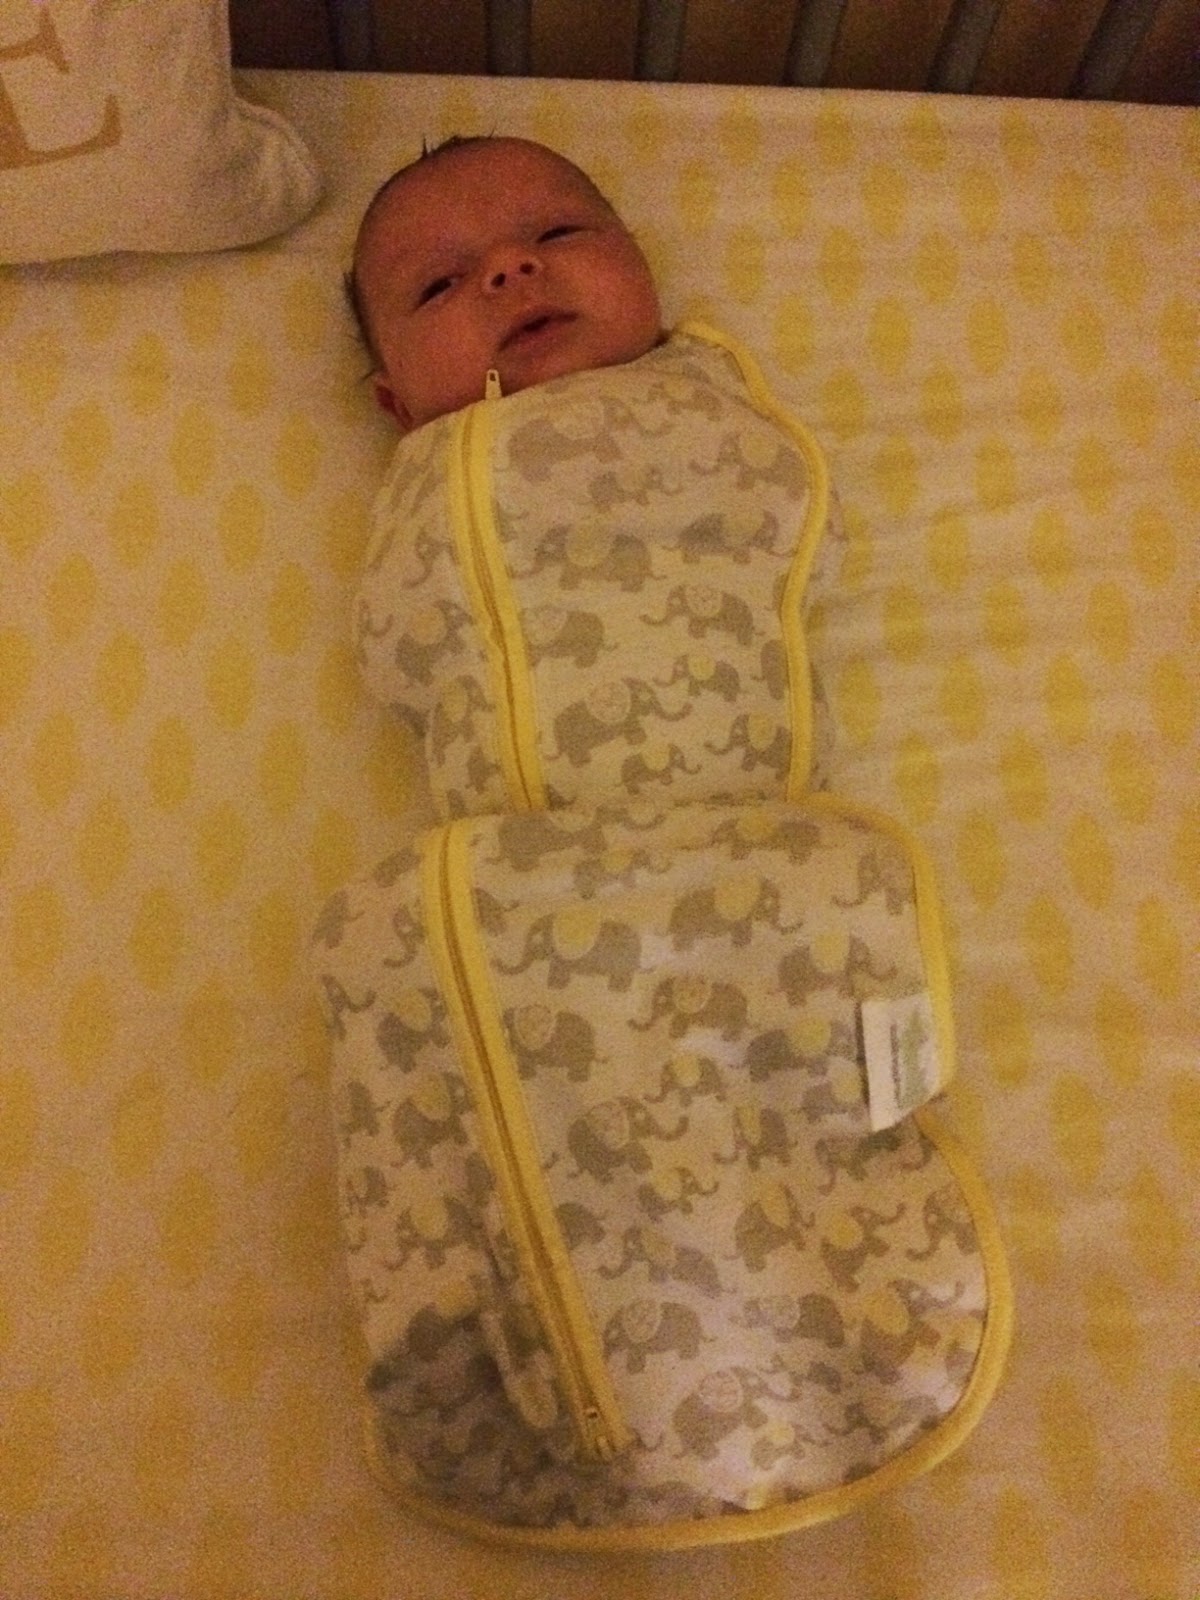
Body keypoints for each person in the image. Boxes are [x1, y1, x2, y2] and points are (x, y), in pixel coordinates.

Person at [346, 135, 665, 433]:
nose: (508, 264)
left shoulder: (696, 365)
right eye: (441, 285)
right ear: (400, 406)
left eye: (557, 233)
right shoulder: (426, 461)